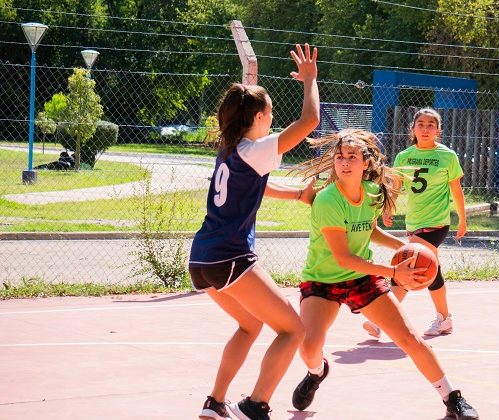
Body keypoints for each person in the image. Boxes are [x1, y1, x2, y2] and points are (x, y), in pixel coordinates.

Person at [290, 128, 479, 420]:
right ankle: (317, 372)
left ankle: (453, 399)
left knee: (409, 338)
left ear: (365, 163)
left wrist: (406, 248)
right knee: (310, 346)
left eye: (352, 156)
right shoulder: (328, 200)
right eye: (340, 157)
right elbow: (344, 257)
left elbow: (370, 230)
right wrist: (393, 271)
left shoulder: (373, 193)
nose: (344, 162)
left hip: (361, 280)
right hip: (323, 281)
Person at [188, 43, 319, 420]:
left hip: (201, 259)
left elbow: (257, 185)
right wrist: (310, 81)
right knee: (293, 331)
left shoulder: (230, 149)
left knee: (250, 325)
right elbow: (309, 120)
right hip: (230, 256)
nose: (273, 121)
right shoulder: (255, 148)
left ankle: (215, 401)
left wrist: (296, 195)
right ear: (259, 117)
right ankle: (256, 403)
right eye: (271, 115)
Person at [363, 107, 467, 338]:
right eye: (421, 124)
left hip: (436, 223)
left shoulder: (447, 156)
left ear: (438, 131)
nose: (426, 128)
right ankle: (444, 319)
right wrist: (388, 208)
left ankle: (382, 320)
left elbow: (456, 190)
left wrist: (462, 219)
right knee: (431, 270)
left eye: (431, 124)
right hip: (414, 223)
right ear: (413, 129)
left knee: (410, 266)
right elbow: (396, 187)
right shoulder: (404, 156)